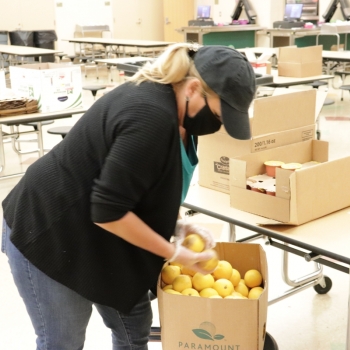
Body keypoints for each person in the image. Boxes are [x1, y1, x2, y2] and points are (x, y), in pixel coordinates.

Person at [1, 43, 256, 349]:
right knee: (63, 340)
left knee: (133, 328)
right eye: (218, 113)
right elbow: (109, 211)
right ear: (192, 88)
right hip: (52, 230)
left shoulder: (182, 118)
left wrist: (178, 226)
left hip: (102, 235)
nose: (218, 124)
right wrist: (174, 252)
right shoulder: (149, 118)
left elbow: (149, 186)